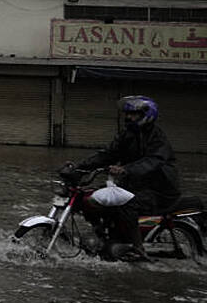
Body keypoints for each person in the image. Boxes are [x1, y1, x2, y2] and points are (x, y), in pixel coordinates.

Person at [73, 95, 180, 262]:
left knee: (127, 204)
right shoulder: (128, 135)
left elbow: (152, 161)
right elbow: (108, 154)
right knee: (89, 196)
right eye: (128, 113)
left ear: (146, 115)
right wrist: (79, 167)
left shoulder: (157, 138)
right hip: (135, 185)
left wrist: (125, 170)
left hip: (160, 190)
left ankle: (138, 248)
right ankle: (105, 235)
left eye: (134, 114)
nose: (128, 117)